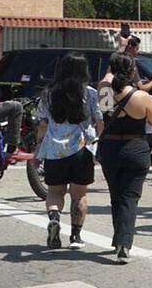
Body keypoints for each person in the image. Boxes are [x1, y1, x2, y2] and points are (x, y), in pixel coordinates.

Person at [97, 53, 152, 263]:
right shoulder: (142, 97)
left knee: (116, 196)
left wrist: (109, 73)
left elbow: (105, 107)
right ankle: (124, 244)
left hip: (109, 147)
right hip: (135, 148)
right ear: (133, 72)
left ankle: (119, 239)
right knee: (130, 197)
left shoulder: (105, 92)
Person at [36, 53, 103, 250]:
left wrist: (38, 148)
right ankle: (75, 236)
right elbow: (99, 121)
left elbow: (42, 123)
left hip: (54, 150)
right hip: (81, 149)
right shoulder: (90, 93)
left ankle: (54, 218)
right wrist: (98, 143)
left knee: (55, 192)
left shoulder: (48, 93)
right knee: (79, 195)